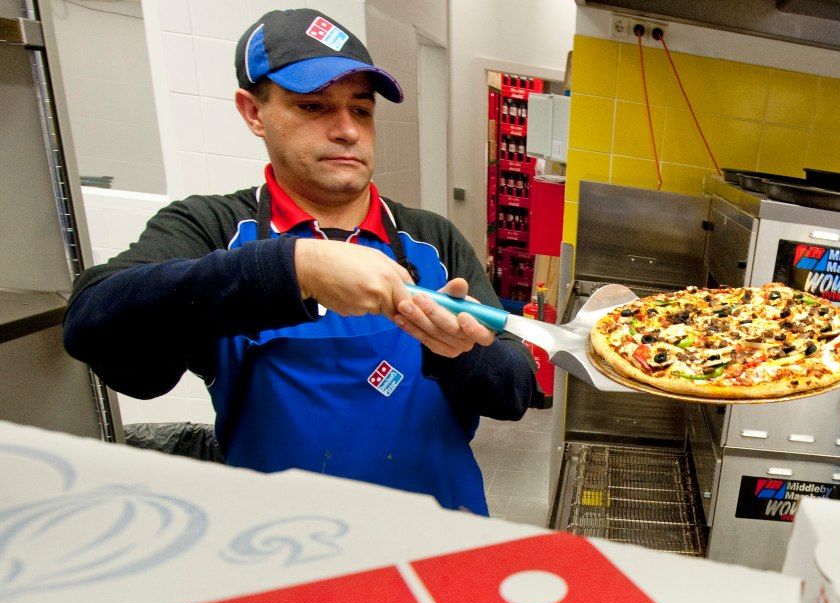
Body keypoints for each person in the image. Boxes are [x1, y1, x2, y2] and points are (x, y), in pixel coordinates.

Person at [64, 8, 535, 515]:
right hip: (285, 550)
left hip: (440, 538)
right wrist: (296, 268)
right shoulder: (215, 229)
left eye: (361, 110)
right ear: (253, 111)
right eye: (313, 107)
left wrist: (460, 352)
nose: (347, 131)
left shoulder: (429, 240)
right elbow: (94, 319)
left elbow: (514, 390)